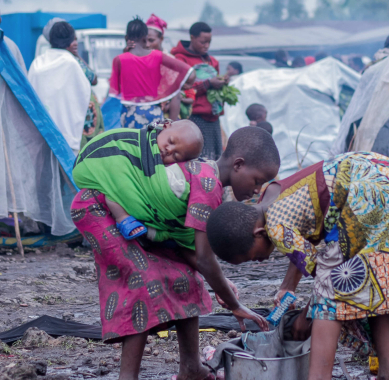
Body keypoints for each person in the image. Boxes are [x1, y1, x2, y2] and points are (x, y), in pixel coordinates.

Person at [206, 151, 389, 380]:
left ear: (258, 233)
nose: (258, 261)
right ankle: (388, 370)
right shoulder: (271, 194)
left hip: (367, 193)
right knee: (375, 282)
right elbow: (306, 238)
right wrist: (287, 287)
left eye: (253, 257)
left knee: (332, 292)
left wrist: (305, 316)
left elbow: (323, 276)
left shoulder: (275, 228)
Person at [71, 126, 280, 380]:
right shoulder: (208, 185)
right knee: (143, 281)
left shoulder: (204, 176)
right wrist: (235, 306)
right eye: (257, 181)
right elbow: (203, 257)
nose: (257, 190)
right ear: (238, 164)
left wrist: (221, 282)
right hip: (98, 205)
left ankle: (191, 369)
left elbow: (185, 248)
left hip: (123, 218)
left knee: (187, 277)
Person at [74, 120, 204, 241]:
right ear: (165, 126)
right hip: (99, 163)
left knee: (119, 186)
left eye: (175, 155)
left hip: (115, 176)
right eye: (170, 141)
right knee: (117, 187)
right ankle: (122, 218)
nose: (169, 149)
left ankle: (150, 232)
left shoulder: (168, 172)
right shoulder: (139, 142)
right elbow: (115, 145)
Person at [110, 17, 194, 129]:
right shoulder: (159, 57)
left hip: (129, 116)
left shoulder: (119, 60)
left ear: (126, 38)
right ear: (145, 38)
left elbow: (115, 92)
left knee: (133, 145)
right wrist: (181, 86)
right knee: (153, 144)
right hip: (154, 114)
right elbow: (191, 73)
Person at [28, 21, 94, 153]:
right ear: (70, 41)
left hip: (40, 136)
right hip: (66, 138)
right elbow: (84, 95)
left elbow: (29, 98)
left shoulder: (37, 64)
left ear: (50, 40)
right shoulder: (72, 64)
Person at [172, 22, 229, 161]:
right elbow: (181, 89)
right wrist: (208, 83)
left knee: (214, 160)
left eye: (209, 42)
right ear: (192, 37)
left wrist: (222, 83)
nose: (206, 46)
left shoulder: (212, 61)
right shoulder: (180, 59)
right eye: (203, 42)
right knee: (195, 159)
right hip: (194, 117)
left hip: (213, 119)